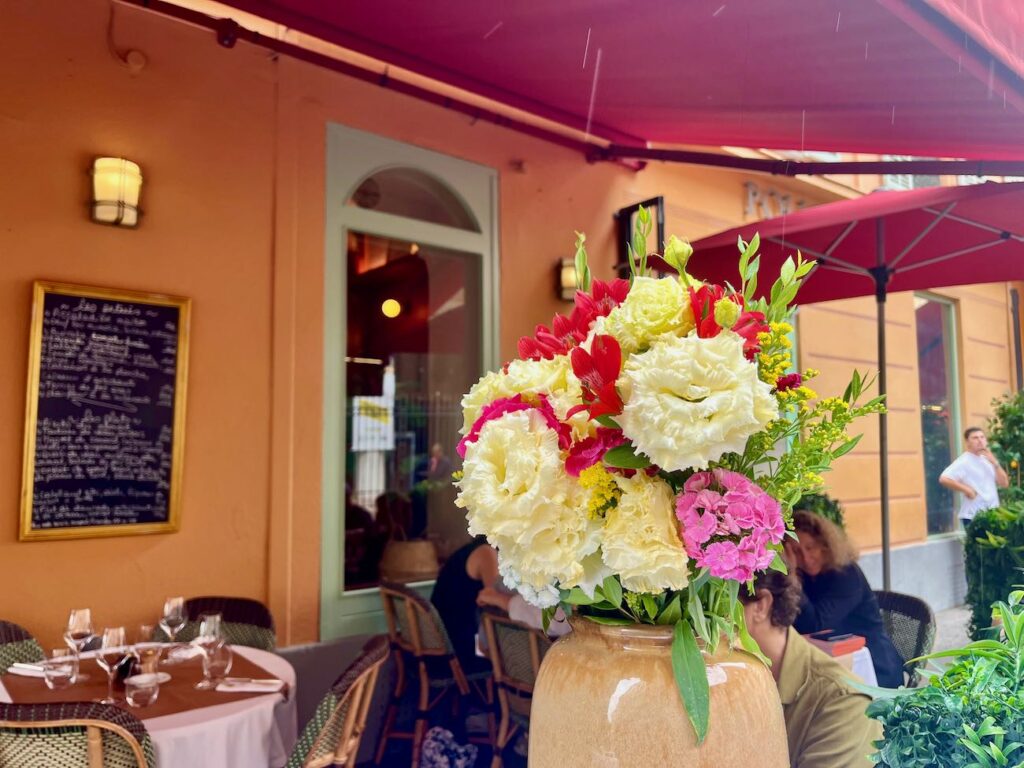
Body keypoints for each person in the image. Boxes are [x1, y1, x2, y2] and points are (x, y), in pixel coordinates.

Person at [739, 568, 881, 768]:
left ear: (761, 605)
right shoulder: (720, 684)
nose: (694, 632)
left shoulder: (842, 703)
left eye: (709, 609)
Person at [790, 510, 904, 688]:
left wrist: (791, 580)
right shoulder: (806, 575)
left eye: (810, 547)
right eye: (796, 551)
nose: (805, 557)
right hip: (831, 659)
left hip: (872, 664)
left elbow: (815, 624)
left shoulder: (846, 574)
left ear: (824, 545)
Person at [430, 536, 497, 672]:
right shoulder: (486, 553)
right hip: (457, 650)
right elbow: (496, 601)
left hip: (438, 643)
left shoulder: (469, 550)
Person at [939, 426, 1009, 527]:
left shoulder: (988, 459)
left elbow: (1004, 484)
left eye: (982, 437)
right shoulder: (964, 461)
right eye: (975, 438)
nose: (980, 441)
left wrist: (994, 462)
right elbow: (944, 478)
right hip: (973, 515)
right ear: (967, 442)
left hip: (993, 513)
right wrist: (967, 489)